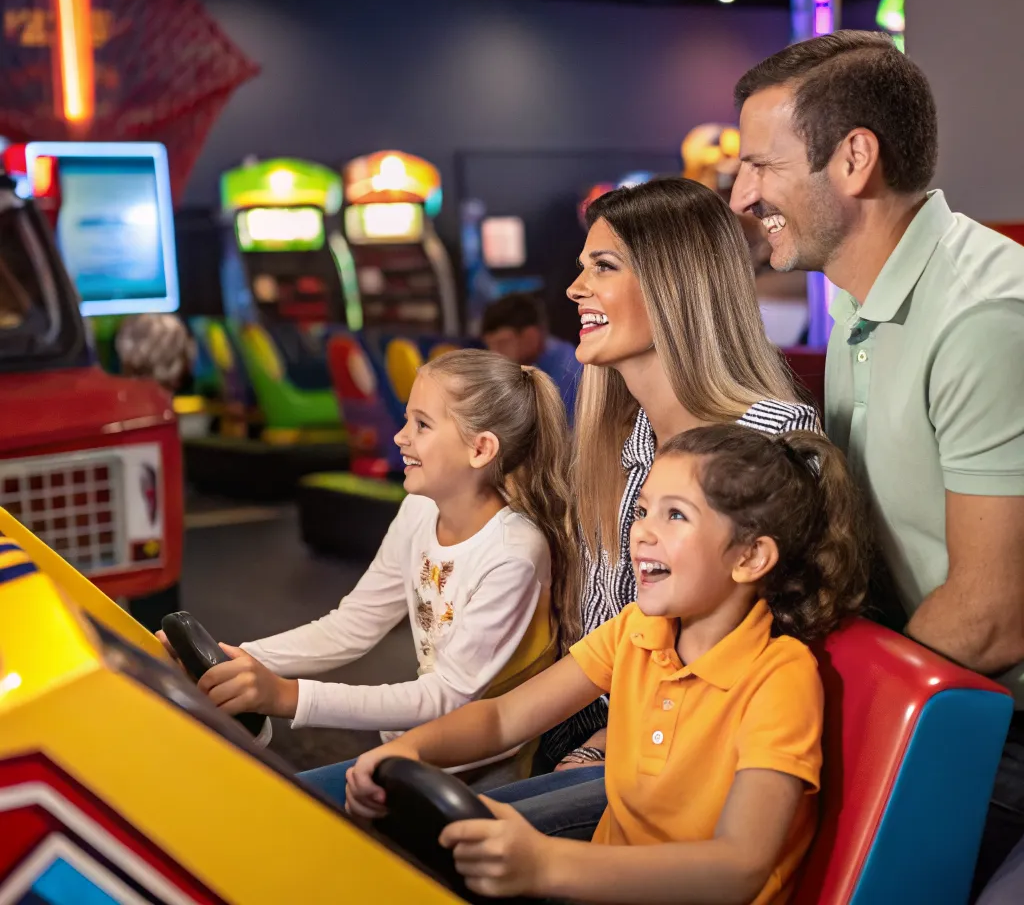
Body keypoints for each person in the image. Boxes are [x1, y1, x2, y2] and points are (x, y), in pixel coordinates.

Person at [729, 29, 1024, 900]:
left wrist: (826, 704)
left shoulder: (982, 318)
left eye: (762, 166)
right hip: (942, 686)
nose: (744, 194)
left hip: (997, 719)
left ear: (855, 159)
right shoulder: (868, 303)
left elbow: (991, 616)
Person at [346, 425, 869, 904]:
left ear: (750, 558)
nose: (641, 532)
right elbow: (504, 718)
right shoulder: (637, 630)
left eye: (676, 515)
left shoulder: (779, 676)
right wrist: (412, 748)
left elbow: (739, 866)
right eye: (642, 510)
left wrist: (546, 863)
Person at [485, 176, 821, 840]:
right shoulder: (624, 432)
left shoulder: (775, 435)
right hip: (585, 713)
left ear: (676, 287)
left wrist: (602, 742)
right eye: (581, 268)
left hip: (682, 750)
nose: (574, 289)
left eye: (603, 267)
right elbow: (601, 643)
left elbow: (766, 659)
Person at [161, 349, 577, 799]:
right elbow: (353, 625)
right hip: (410, 748)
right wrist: (236, 658)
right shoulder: (420, 510)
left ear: (480, 449)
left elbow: (446, 695)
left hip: (482, 769)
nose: (399, 437)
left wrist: (288, 697)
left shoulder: (512, 554)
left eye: (421, 424)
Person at [481, 293, 581, 424]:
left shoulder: (570, 372)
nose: (495, 353)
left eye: (503, 343)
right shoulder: (529, 367)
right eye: (490, 346)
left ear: (531, 336)